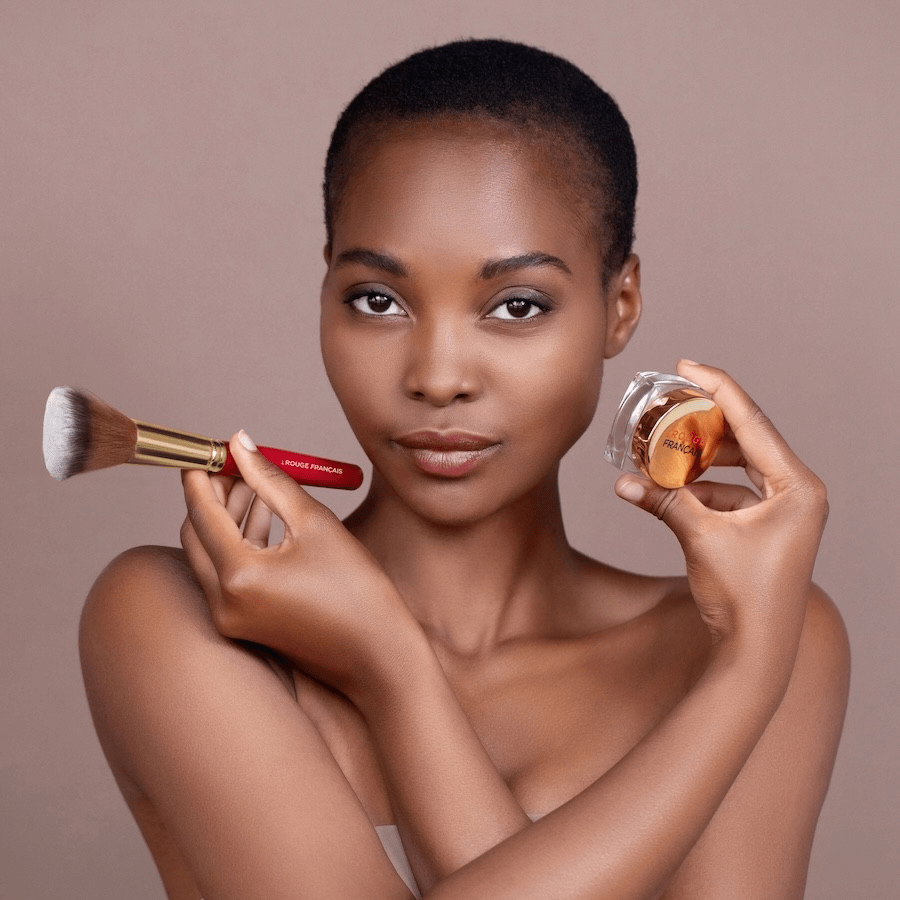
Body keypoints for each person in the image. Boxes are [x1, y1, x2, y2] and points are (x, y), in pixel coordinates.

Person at [79, 39, 849, 899]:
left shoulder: (751, 633)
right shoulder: (174, 622)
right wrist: (751, 672)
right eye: (378, 299)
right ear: (325, 294)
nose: (438, 376)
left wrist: (389, 664)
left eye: (516, 306)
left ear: (618, 306)